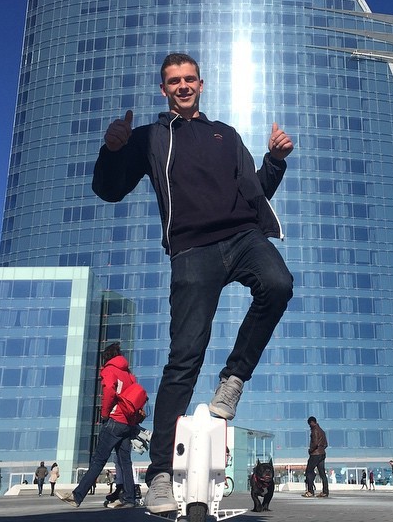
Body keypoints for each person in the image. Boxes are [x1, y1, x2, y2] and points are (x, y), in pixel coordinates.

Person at [92, 53, 294, 515]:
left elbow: (255, 193)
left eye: (189, 79)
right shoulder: (149, 137)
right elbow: (109, 190)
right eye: (173, 81)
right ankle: (160, 474)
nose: (182, 86)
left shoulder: (226, 134)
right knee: (184, 357)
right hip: (191, 250)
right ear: (164, 89)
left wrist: (275, 161)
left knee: (279, 283)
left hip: (242, 236)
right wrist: (113, 149)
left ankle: (233, 379)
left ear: (201, 84)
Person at [56, 342, 139, 509]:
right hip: (127, 423)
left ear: (106, 357)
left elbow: (109, 391)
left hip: (114, 420)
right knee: (125, 462)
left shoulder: (109, 370)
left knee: (98, 460)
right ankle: (130, 499)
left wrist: (105, 414)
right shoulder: (128, 374)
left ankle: (77, 496)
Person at [302, 416, 329, 498]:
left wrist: (311, 450)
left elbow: (315, 443)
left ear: (312, 422)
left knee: (309, 471)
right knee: (322, 473)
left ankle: (310, 491)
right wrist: (321, 449)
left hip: (315, 454)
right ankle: (325, 492)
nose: (309, 426)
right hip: (322, 454)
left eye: (309, 424)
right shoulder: (322, 431)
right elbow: (326, 444)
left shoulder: (315, 431)